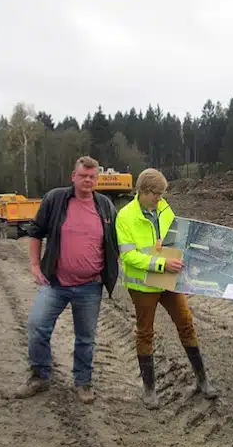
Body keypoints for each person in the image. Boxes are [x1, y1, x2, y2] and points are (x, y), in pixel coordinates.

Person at [13, 156, 120, 404]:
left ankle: (83, 382)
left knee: (86, 337)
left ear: (97, 178)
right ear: (74, 176)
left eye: (92, 176)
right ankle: (40, 375)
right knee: (37, 326)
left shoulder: (105, 205)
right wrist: (35, 265)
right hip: (55, 283)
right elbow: (36, 231)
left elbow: (119, 238)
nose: (88, 180)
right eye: (83, 175)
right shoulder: (56, 199)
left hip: (90, 286)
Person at [115, 167, 218, 409]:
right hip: (142, 285)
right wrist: (161, 262)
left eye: (162, 194)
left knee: (186, 322)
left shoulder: (163, 207)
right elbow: (129, 256)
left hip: (169, 279)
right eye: (156, 194)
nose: (160, 199)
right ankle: (149, 390)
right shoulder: (125, 217)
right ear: (143, 191)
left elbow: (174, 237)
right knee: (145, 332)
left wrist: (180, 263)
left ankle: (203, 381)